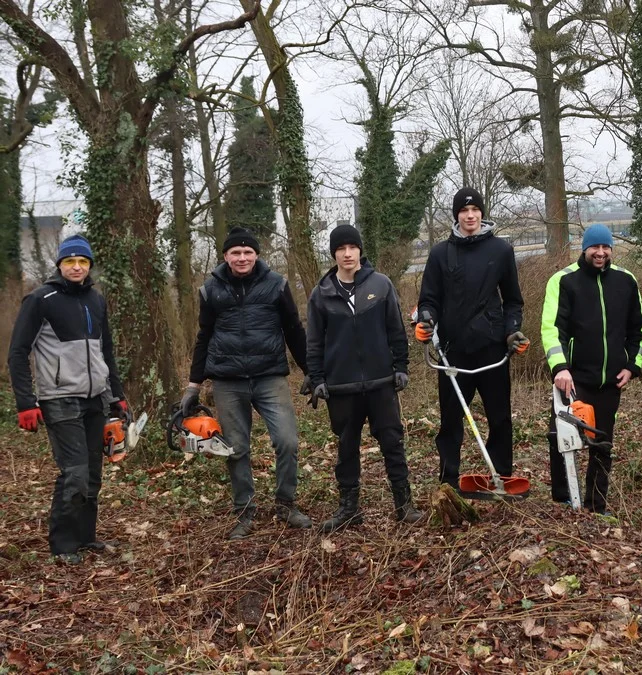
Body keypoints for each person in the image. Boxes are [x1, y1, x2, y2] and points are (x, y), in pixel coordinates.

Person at [182, 227, 312, 539]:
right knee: (236, 449)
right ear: (225, 256)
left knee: (287, 441)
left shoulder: (276, 285)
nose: (242, 258)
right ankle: (245, 511)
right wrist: (193, 385)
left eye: (248, 252)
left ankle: (285, 504)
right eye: (235, 253)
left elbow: (293, 329)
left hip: (269, 377)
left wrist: (312, 371)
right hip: (228, 382)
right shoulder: (211, 290)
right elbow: (204, 337)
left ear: (256, 255)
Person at [8, 235, 128, 563]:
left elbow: (106, 351)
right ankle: (63, 545)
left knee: (92, 473)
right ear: (59, 264)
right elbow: (18, 352)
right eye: (70, 261)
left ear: (89, 266)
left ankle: (86, 536)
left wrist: (117, 396)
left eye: (83, 262)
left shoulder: (97, 300)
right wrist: (25, 402)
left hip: (96, 398)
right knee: (74, 471)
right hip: (59, 399)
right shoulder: (40, 299)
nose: (76, 267)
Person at [306, 224, 423, 531]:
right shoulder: (321, 294)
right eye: (341, 249)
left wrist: (401, 367)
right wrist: (317, 377)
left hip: (381, 382)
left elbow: (396, 331)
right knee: (346, 448)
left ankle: (404, 504)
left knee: (392, 442)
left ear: (360, 250)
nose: (347, 254)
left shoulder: (381, 285)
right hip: (340, 386)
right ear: (334, 254)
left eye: (352, 247)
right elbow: (315, 342)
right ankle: (349, 508)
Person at [415, 188, 526, 493]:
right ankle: (449, 481)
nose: (470, 215)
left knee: (500, 418)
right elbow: (429, 299)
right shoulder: (440, 254)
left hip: (492, 350)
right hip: (453, 353)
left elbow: (513, 302)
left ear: (482, 213)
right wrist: (426, 320)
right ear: (457, 216)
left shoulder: (501, 251)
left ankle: (501, 475)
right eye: (464, 211)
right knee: (451, 422)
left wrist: (511, 330)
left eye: (475, 209)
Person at [541, 223, 642, 515]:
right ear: (584, 249)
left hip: (611, 380)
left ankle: (596, 505)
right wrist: (560, 367)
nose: (600, 253)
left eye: (605, 247)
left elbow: (639, 330)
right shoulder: (563, 281)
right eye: (594, 248)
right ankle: (563, 501)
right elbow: (552, 329)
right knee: (560, 438)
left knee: (602, 444)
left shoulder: (626, 281)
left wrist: (632, 366)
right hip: (573, 379)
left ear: (611, 249)